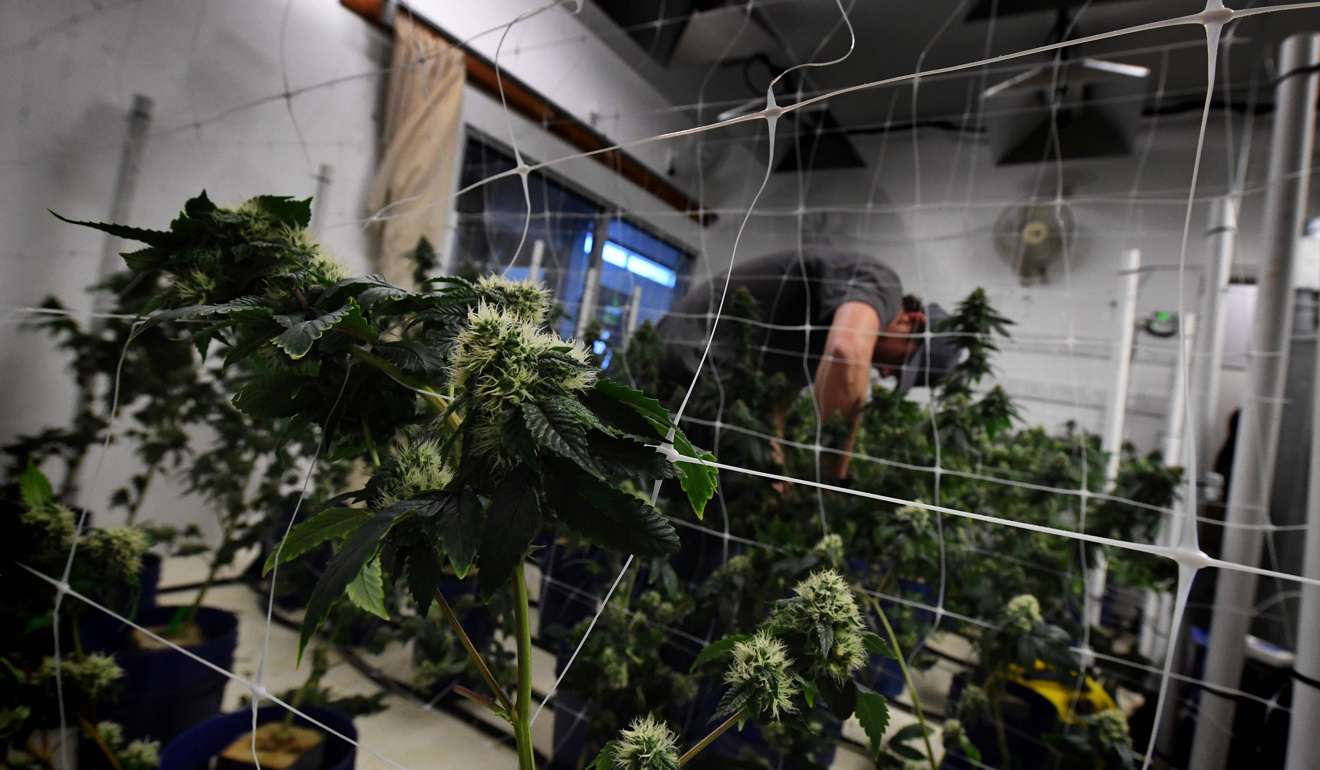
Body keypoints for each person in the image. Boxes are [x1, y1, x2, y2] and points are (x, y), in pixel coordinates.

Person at [656, 247, 960, 480]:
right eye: (901, 362)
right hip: (691, 360)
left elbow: (774, 407)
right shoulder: (882, 285)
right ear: (911, 320)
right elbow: (847, 353)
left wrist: (777, 467)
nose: (886, 372)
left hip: (701, 379)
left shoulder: (818, 344)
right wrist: (834, 479)